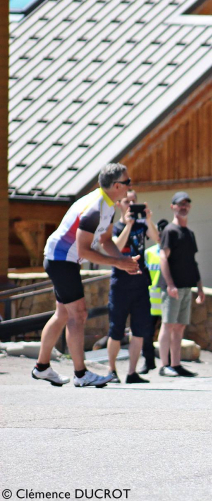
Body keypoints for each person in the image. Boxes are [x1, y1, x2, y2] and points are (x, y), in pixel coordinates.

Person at [32, 164, 141, 388]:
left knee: (63, 314)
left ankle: (42, 368)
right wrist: (119, 263)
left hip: (66, 259)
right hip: (62, 259)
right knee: (78, 314)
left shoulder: (109, 205)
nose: (131, 186)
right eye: (128, 182)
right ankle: (81, 374)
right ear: (117, 186)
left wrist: (124, 262)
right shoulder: (95, 208)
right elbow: (84, 251)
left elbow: (106, 241)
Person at [106, 190, 158, 384]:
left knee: (139, 331)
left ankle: (132, 372)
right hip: (120, 285)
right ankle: (111, 371)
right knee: (116, 330)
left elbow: (157, 238)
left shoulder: (141, 226)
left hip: (140, 284)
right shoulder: (114, 227)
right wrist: (128, 225)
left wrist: (148, 219)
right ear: (119, 204)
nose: (130, 205)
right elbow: (116, 249)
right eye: (127, 202)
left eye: (134, 202)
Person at [158, 192, 206, 377]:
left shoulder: (189, 233)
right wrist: (170, 284)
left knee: (179, 326)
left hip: (187, 286)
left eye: (186, 204)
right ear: (173, 207)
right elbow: (164, 258)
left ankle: (176, 364)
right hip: (173, 288)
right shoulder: (169, 231)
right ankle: (164, 366)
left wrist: (200, 287)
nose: (183, 207)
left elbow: (193, 262)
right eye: (180, 204)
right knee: (168, 324)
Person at [140, 220, 169, 374]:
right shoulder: (149, 252)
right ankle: (148, 361)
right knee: (147, 332)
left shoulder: (172, 252)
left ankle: (168, 362)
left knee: (168, 330)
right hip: (152, 297)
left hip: (167, 296)